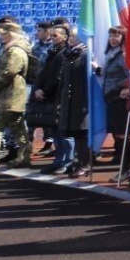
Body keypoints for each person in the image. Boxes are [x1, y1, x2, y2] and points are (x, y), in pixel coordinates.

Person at [0, 24, 31, 170]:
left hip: (12, 95)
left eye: (4, 34)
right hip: (12, 95)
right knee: (18, 129)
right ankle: (24, 157)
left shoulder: (15, 52)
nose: (1, 37)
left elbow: (8, 73)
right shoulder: (12, 50)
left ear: (12, 34)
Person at [34, 25, 71, 174]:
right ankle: (58, 160)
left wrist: (45, 90)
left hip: (58, 96)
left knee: (64, 132)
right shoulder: (51, 52)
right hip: (49, 97)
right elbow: (42, 72)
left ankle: (67, 162)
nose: (52, 38)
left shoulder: (65, 53)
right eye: (52, 35)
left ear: (64, 37)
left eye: (55, 35)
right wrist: (38, 88)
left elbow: (59, 77)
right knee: (54, 130)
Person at [55, 31, 92, 177]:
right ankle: (80, 161)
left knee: (82, 133)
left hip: (81, 101)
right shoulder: (69, 55)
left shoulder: (85, 55)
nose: (71, 39)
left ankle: (86, 163)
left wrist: (86, 101)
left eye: (74, 37)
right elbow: (63, 80)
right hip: (69, 101)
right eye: (70, 36)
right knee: (75, 133)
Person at [100, 26, 130, 183]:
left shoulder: (125, 55)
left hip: (120, 99)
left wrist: (123, 87)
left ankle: (128, 169)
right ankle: (124, 167)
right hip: (111, 98)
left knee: (124, 135)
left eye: (117, 36)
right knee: (118, 135)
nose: (113, 39)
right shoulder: (111, 54)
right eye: (111, 35)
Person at [30, 21, 55, 157]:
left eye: (40, 31)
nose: (37, 33)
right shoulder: (36, 46)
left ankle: (49, 143)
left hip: (48, 85)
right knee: (36, 114)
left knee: (48, 115)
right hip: (36, 83)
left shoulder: (53, 46)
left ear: (47, 31)